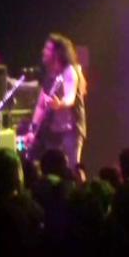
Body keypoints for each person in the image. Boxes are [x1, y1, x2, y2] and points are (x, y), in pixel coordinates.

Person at [26, 33, 87, 171]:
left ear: (58, 53)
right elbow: (40, 106)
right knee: (53, 169)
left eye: (48, 49)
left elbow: (70, 97)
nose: (44, 51)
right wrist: (32, 131)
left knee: (72, 168)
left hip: (71, 130)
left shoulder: (70, 71)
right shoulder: (50, 75)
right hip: (54, 132)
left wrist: (59, 104)